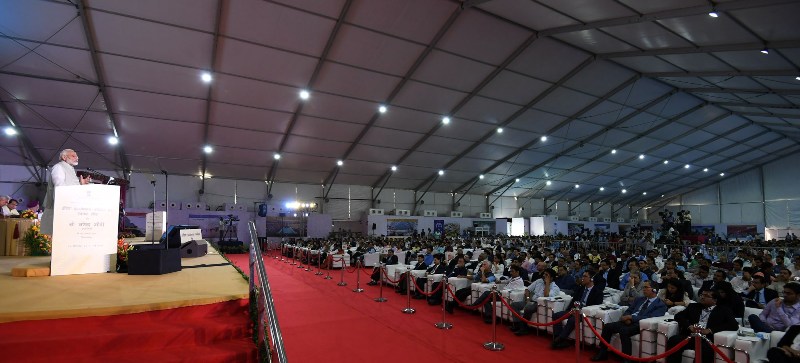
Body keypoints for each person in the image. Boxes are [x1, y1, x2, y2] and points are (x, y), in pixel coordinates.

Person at [591, 281, 667, 362]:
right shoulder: (640, 299)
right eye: (643, 287)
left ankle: (626, 359)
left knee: (624, 331)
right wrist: (625, 317)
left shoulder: (660, 304)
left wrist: (631, 318)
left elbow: (650, 317)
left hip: (640, 324)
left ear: (654, 290)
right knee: (608, 326)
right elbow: (629, 309)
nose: (643, 289)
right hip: (628, 321)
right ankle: (603, 352)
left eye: (646, 287)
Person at [665, 290, 739, 363]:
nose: (702, 297)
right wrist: (689, 326)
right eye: (701, 295)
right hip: (691, 336)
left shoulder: (723, 310)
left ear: (715, 300)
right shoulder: (693, 306)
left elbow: (733, 325)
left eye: (706, 296)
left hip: (707, 339)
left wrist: (710, 330)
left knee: (706, 350)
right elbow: (679, 316)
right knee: (673, 340)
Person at [551, 269, 604, 349]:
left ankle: (559, 340)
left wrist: (580, 311)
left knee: (572, 320)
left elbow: (595, 307)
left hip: (584, 313)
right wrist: (572, 308)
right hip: (574, 310)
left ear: (591, 279)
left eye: (585, 276)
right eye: (582, 276)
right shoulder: (581, 288)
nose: (582, 278)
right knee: (556, 315)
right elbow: (574, 300)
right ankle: (559, 338)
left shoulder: (598, 292)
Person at [41, 149, 90, 234]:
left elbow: (69, 187)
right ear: (64, 157)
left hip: (70, 209)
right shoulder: (58, 167)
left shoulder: (70, 169)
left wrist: (80, 184)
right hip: (60, 209)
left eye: (77, 156)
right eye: (73, 156)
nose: (77, 158)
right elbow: (60, 188)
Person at [510, 268, 560, 336]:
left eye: (546, 275)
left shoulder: (555, 288)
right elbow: (527, 289)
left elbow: (546, 295)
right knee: (514, 305)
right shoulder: (539, 281)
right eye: (544, 274)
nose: (544, 276)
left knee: (528, 308)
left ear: (551, 278)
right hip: (530, 301)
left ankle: (524, 329)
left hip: (540, 304)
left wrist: (547, 283)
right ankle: (517, 325)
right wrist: (527, 299)